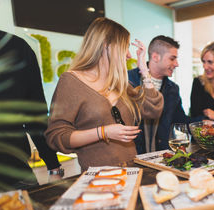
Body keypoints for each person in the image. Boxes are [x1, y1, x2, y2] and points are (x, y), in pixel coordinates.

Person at [45, 18, 163, 172]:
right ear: (106, 45)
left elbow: (152, 109)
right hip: (98, 178)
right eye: (125, 47)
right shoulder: (71, 81)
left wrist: (144, 69)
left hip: (133, 171)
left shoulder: (119, 83)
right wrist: (103, 132)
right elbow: (56, 136)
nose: (128, 55)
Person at [0, 30, 62, 189]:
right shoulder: (17, 46)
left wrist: (53, 166)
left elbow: (35, 115)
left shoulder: (18, 47)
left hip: (14, 172)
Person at [129, 35, 202, 154]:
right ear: (155, 57)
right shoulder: (129, 80)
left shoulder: (173, 89)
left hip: (162, 156)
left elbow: (180, 121)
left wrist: (203, 123)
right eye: (172, 58)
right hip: (133, 156)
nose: (177, 64)